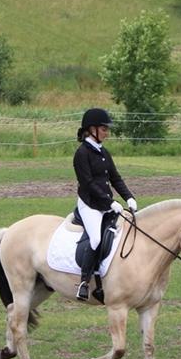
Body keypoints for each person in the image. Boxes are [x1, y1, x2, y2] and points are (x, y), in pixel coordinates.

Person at [72, 107, 137, 301]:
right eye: (104, 129)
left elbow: (115, 179)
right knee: (96, 240)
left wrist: (129, 197)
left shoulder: (103, 152)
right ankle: (84, 282)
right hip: (90, 204)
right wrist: (110, 202)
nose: (107, 133)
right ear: (92, 129)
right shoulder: (81, 153)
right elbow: (88, 184)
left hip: (106, 203)